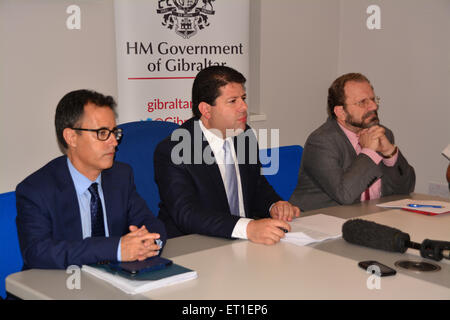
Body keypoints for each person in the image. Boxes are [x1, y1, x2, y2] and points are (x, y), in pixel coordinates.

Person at [16, 89, 167, 270]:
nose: (114, 142)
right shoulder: (37, 189)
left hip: (113, 282)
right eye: (102, 133)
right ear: (71, 137)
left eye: (114, 132)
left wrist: (149, 245)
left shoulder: (120, 176)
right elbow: (37, 252)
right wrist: (116, 249)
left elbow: (151, 224)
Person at [154, 66, 300, 245]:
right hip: (193, 245)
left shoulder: (245, 135)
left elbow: (257, 186)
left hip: (242, 243)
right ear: (206, 110)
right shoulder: (175, 150)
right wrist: (248, 228)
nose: (244, 107)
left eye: (244, 99)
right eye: (233, 101)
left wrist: (274, 204)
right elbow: (187, 214)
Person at [290, 73, 415, 211]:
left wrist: (389, 153)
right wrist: (369, 152)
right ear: (341, 112)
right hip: (324, 221)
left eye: (373, 99)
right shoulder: (321, 142)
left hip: (371, 216)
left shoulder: (383, 134)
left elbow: (405, 189)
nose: (373, 106)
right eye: (363, 102)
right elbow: (345, 195)